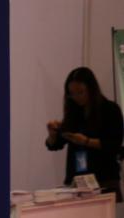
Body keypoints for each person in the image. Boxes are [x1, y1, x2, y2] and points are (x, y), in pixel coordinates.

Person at [46, 67, 124, 200]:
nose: (76, 97)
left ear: (91, 89)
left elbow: (114, 144)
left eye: (80, 92)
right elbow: (55, 145)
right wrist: (52, 134)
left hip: (104, 180)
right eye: (72, 93)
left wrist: (86, 141)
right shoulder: (74, 112)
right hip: (77, 183)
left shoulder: (110, 109)